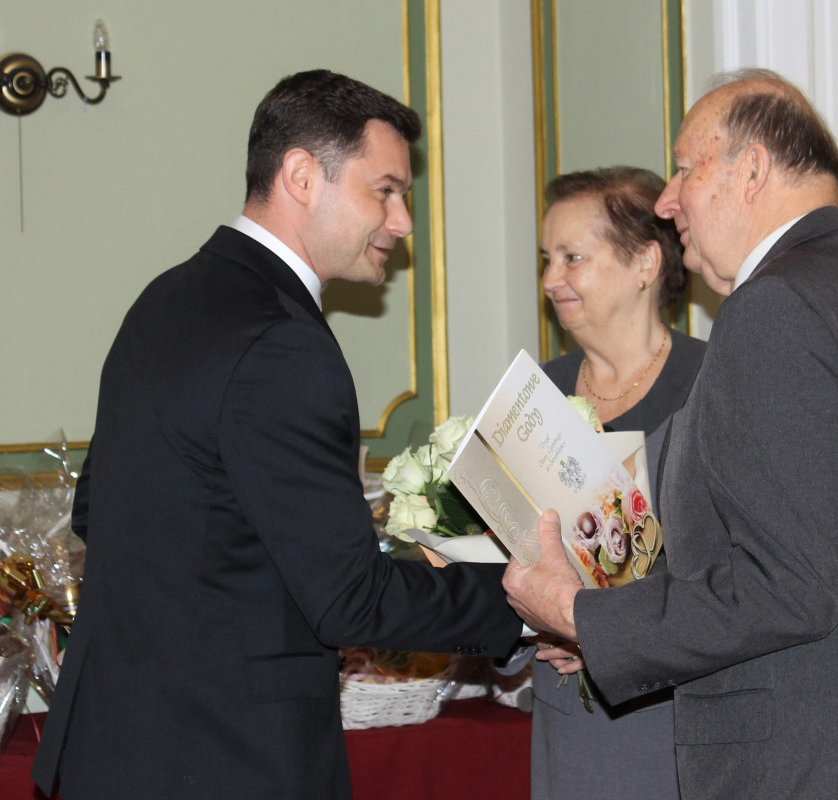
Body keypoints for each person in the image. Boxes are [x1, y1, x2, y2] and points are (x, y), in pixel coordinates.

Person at [31, 70, 523, 800]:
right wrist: (516, 598)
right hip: (226, 760)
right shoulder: (284, 342)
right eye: (385, 190)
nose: (402, 222)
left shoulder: (165, 298)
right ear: (300, 175)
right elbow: (349, 600)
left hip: (116, 749)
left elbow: (96, 512)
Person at [503, 68, 838, 799]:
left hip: (817, 759)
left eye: (685, 168)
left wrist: (580, 613)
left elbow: (786, 586)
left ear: (752, 169)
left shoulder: (779, 307)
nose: (668, 202)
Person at [504, 166, 704, 800]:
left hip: (682, 723)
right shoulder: (535, 396)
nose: (549, 280)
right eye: (546, 258)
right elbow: (506, 550)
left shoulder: (713, 385)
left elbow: (746, 574)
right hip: (576, 726)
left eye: (572, 257)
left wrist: (607, 632)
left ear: (645, 262)